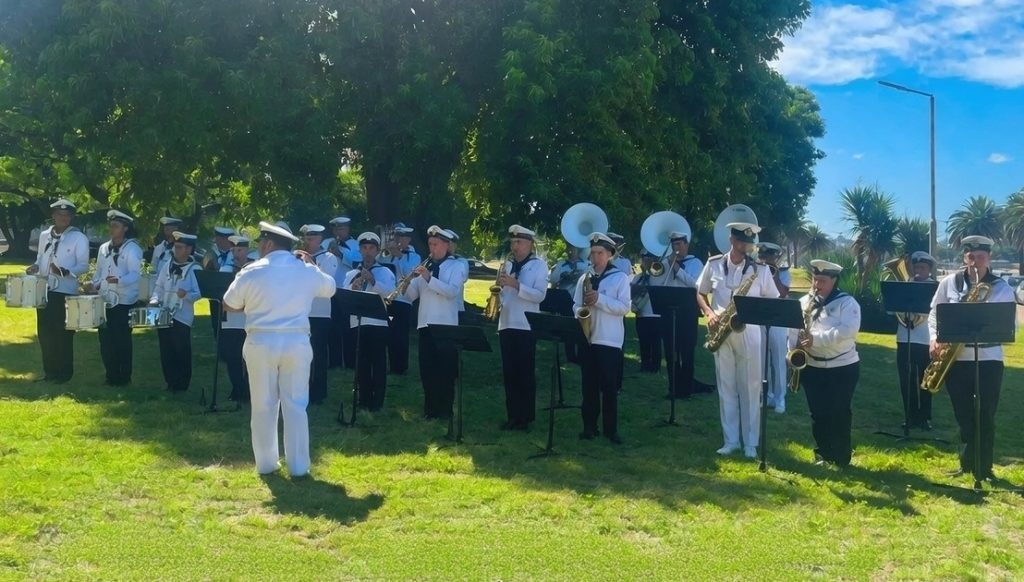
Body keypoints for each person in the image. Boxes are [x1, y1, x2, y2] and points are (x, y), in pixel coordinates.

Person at [222, 221, 337, 477]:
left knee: (263, 404)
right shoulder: (306, 270)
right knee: (296, 405)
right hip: (296, 341)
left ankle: (266, 464)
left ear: (269, 243)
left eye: (261, 242)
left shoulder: (251, 271)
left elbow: (229, 304)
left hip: (261, 341)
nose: (260, 247)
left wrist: (251, 307)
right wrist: (311, 264)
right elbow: (329, 289)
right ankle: (298, 467)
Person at [928, 236, 1014, 480]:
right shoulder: (949, 282)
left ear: (989, 258)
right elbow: (935, 312)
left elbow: (1003, 322)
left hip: (988, 359)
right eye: (971, 257)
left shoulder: (1001, 287)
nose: (976, 262)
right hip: (957, 360)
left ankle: (984, 468)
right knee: (963, 413)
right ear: (965, 257)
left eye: (981, 257)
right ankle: (966, 464)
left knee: (985, 413)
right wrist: (934, 337)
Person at [696, 221, 780, 459]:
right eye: (743, 242)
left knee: (751, 388)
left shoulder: (760, 270)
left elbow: (772, 302)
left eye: (749, 243)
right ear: (732, 240)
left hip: (749, 333)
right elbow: (700, 292)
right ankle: (730, 440)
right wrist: (709, 313)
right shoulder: (713, 264)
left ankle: (751, 442)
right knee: (726, 387)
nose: (747, 247)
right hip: (721, 331)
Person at [793, 260, 861, 467]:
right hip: (812, 366)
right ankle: (823, 453)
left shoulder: (847, 303)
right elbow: (794, 327)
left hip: (842, 367)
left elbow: (848, 330)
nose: (817, 284)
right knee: (818, 412)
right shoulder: (805, 301)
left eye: (822, 280)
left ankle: (841, 457)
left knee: (839, 412)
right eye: (815, 279)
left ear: (834, 280)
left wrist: (817, 340)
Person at [403, 226, 467, 419]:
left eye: (436, 244)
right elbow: (413, 295)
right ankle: (430, 410)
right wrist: (406, 283)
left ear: (447, 245)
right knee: (427, 370)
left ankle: (445, 410)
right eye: (430, 244)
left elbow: (452, 292)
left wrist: (428, 277)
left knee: (445, 370)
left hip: (446, 325)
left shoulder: (457, 266)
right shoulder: (427, 265)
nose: (432, 248)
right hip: (425, 323)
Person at [574, 233, 631, 444]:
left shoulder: (620, 278)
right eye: (593, 253)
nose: (595, 257)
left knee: (609, 387)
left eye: (600, 253)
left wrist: (599, 299)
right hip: (588, 338)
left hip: (609, 339)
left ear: (609, 255)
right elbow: (574, 303)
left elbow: (624, 307)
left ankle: (610, 429)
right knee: (588, 385)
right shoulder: (584, 278)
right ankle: (589, 427)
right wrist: (579, 311)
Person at [26, 199, 90, 383]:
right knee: (45, 332)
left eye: (67, 215)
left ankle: (64, 373)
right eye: (60, 215)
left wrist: (65, 271)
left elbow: (83, 266)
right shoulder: (45, 235)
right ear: (53, 216)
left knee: (62, 333)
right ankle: (50, 372)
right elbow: (40, 258)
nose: (64, 218)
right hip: (44, 290)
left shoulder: (78, 237)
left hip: (64, 291)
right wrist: (34, 267)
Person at [497, 225, 548, 430]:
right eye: (513, 242)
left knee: (524, 372)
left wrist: (516, 285)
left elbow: (539, 296)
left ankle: (526, 416)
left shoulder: (538, 266)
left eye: (519, 242)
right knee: (509, 373)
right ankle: (512, 415)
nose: (515, 246)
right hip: (506, 323)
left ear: (529, 244)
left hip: (525, 325)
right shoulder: (508, 265)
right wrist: (499, 291)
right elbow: (503, 294)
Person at [87, 210, 142, 386]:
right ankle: (110, 375)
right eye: (111, 225)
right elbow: (99, 273)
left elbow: (135, 275)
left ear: (125, 228)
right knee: (105, 339)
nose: (112, 229)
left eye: (116, 226)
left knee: (122, 340)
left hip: (124, 300)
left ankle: (124, 376)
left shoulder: (133, 248)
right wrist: (93, 285)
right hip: (105, 299)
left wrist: (119, 280)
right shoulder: (104, 248)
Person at [342, 232, 397, 411]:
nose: (368, 252)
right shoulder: (352, 273)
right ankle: (363, 398)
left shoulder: (385, 272)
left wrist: (373, 281)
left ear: (377, 251)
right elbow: (343, 294)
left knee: (378, 363)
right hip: (358, 323)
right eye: (364, 248)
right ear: (360, 250)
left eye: (371, 248)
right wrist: (354, 286)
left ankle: (377, 401)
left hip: (377, 324)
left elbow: (390, 295)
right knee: (361, 363)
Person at [150, 231, 202, 392]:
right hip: (164, 313)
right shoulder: (167, 265)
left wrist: (186, 295)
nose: (176, 250)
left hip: (182, 315)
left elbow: (200, 292)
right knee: (166, 349)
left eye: (180, 247)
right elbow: (159, 286)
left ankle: (182, 383)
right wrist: (154, 299)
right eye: (175, 247)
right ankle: (170, 381)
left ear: (189, 249)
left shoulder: (195, 269)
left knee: (181, 349)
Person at [661, 230, 708, 398]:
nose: (676, 248)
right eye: (674, 245)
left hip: (688, 312)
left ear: (686, 244)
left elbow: (694, 285)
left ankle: (686, 388)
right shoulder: (666, 262)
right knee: (670, 351)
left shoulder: (695, 263)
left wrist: (677, 269)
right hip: (668, 310)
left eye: (679, 244)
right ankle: (673, 387)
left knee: (687, 351)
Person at [895, 250, 936, 429]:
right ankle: (910, 416)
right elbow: (892, 308)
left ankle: (925, 417)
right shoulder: (904, 285)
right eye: (916, 267)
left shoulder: (935, 287)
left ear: (929, 269)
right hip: (904, 338)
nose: (919, 271)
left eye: (923, 268)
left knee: (925, 380)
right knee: (907, 380)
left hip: (926, 340)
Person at [300, 224, 339, 405]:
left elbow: (326, 280)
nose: (309, 241)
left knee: (319, 353)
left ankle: (319, 392)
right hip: (302, 311)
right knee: (302, 353)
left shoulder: (329, 257)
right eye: (307, 238)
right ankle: (303, 389)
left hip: (321, 312)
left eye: (313, 238)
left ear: (320, 239)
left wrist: (310, 263)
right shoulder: (298, 256)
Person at [219, 235, 254, 403]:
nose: (236, 254)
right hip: (231, 320)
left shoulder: (254, 269)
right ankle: (237, 388)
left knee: (250, 357)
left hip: (249, 320)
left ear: (247, 250)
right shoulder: (225, 270)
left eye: (239, 250)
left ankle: (249, 389)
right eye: (233, 250)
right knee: (233, 357)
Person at [757, 242, 791, 413]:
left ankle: (780, 398)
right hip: (761, 318)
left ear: (775, 257)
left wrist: (774, 274)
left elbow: (783, 294)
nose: (766, 259)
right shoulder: (757, 270)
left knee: (778, 360)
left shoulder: (784, 273)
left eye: (769, 256)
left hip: (778, 320)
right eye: (763, 256)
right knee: (763, 361)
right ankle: (767, 395)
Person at [382, 223, 419, 374]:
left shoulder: (414, 256)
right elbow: (380, 265)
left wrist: (398, 257)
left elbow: (409, 274)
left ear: (408, 239)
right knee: (389, 334)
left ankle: (400, 367)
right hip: (388, 298)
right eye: (397, 236)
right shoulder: (388, 254)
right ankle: (390, 364)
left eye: (402, 237)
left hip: (404, 299)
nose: (399, 240)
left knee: (401, 335)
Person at [326, 216, 360, 369]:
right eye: (336, 229)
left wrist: (341, 254)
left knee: (348, 326)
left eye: (342, 228)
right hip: (331, 289)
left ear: (348, 229)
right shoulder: (327, 243)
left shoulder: (356, 244)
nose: (338, 231)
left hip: (347, 288)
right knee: (333, 327)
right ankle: (335, 361)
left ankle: (350, 361)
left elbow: (358, 262)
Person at [548, 244, 589, 364]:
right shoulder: (561, 264)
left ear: (579, 249)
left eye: (574, 249)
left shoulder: (587, 264)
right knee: (568, 330)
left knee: (582, 328)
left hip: (581, 302)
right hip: (565, 302)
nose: (571, 251)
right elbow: (553, 281)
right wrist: (562, 276)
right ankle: (570, 356)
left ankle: (583, 354)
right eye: (569, 248)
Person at [631, 251, 667, 373]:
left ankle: (655, 367)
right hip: (641, 314)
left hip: (656, 314)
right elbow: (631, 292)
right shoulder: (637, 277)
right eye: (644, 258)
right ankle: (644, 365)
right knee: (643, 342)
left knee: (656, 342)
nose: (646, 261)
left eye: (649, 258)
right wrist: (643, 279)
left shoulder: (659, 276)